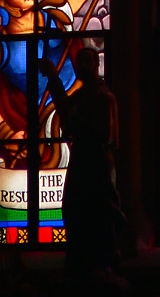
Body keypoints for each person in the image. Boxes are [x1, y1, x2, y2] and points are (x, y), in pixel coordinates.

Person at [0, 0, 95, 168]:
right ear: (4, 4)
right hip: (49, 115)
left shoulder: (53, 14)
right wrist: (5, 133)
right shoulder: (0, 46)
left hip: (81, 98)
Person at [39, 47, 124, 284]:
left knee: (99, 213)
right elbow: (66, 108)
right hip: (82, 161)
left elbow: (102, 133)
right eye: (79, 62)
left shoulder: (103, 97)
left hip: (96, 164)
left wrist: (79, 124)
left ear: (96, 65)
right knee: (75, 210)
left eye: (87, 61)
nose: (82, 67)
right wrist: (53, 77)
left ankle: (102, 263)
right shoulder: (84, 94)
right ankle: (81, 263)